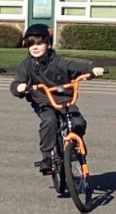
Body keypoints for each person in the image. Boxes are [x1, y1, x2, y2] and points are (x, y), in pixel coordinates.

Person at [10, 23, 105, 174]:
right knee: (49, 121)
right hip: (43, 101)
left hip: (64, 100)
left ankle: (74, 144)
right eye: (31, 44)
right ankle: (47, 157)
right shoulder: (26, 65)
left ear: (48, 44)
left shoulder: (58, 62)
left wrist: (93, 69)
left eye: (39, 43)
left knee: (78, 122)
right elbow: (16, 84)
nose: (35, 47)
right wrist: (20, 87)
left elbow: (77, 67)